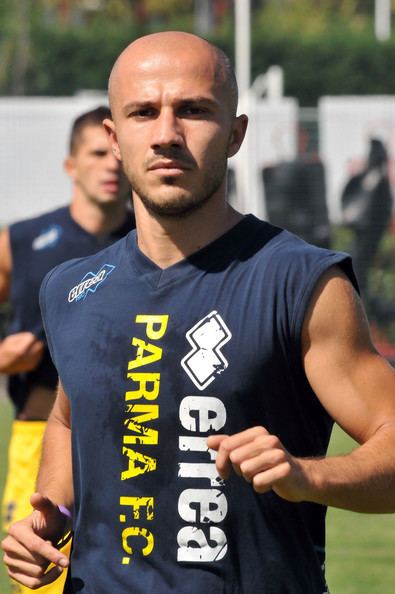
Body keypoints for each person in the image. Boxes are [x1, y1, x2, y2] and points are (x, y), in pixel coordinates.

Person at [2, 32, 395, 594]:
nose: (166, 135)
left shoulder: (298, 281)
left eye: (193, 110)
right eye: (143, 113)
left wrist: (309, 476)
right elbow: (69, 419)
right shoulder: (72, 289)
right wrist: (53, 520)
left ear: (235, 134)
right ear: (113, 138)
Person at [0, 106, 135, 593]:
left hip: (132, 438)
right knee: (42, 577)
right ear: (70, 165)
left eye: (118, 154)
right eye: (97, 153)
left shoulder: (156, 242)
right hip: (39, 434)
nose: (110, 166)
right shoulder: (24, 241)